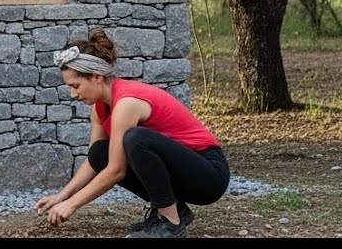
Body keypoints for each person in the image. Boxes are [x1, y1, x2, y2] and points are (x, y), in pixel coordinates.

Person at [32, 28, 229, 238]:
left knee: (135, 139)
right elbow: (95, 162)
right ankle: (175, 209)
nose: (72, 94)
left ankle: (170, 225)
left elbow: (116, 170)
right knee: (100, 152)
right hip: (184, 172)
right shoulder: (100, 107)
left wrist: (72, 204)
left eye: (76, 86)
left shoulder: (127, 103)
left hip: (208, 175)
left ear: (97, 76)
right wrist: (61, 197)